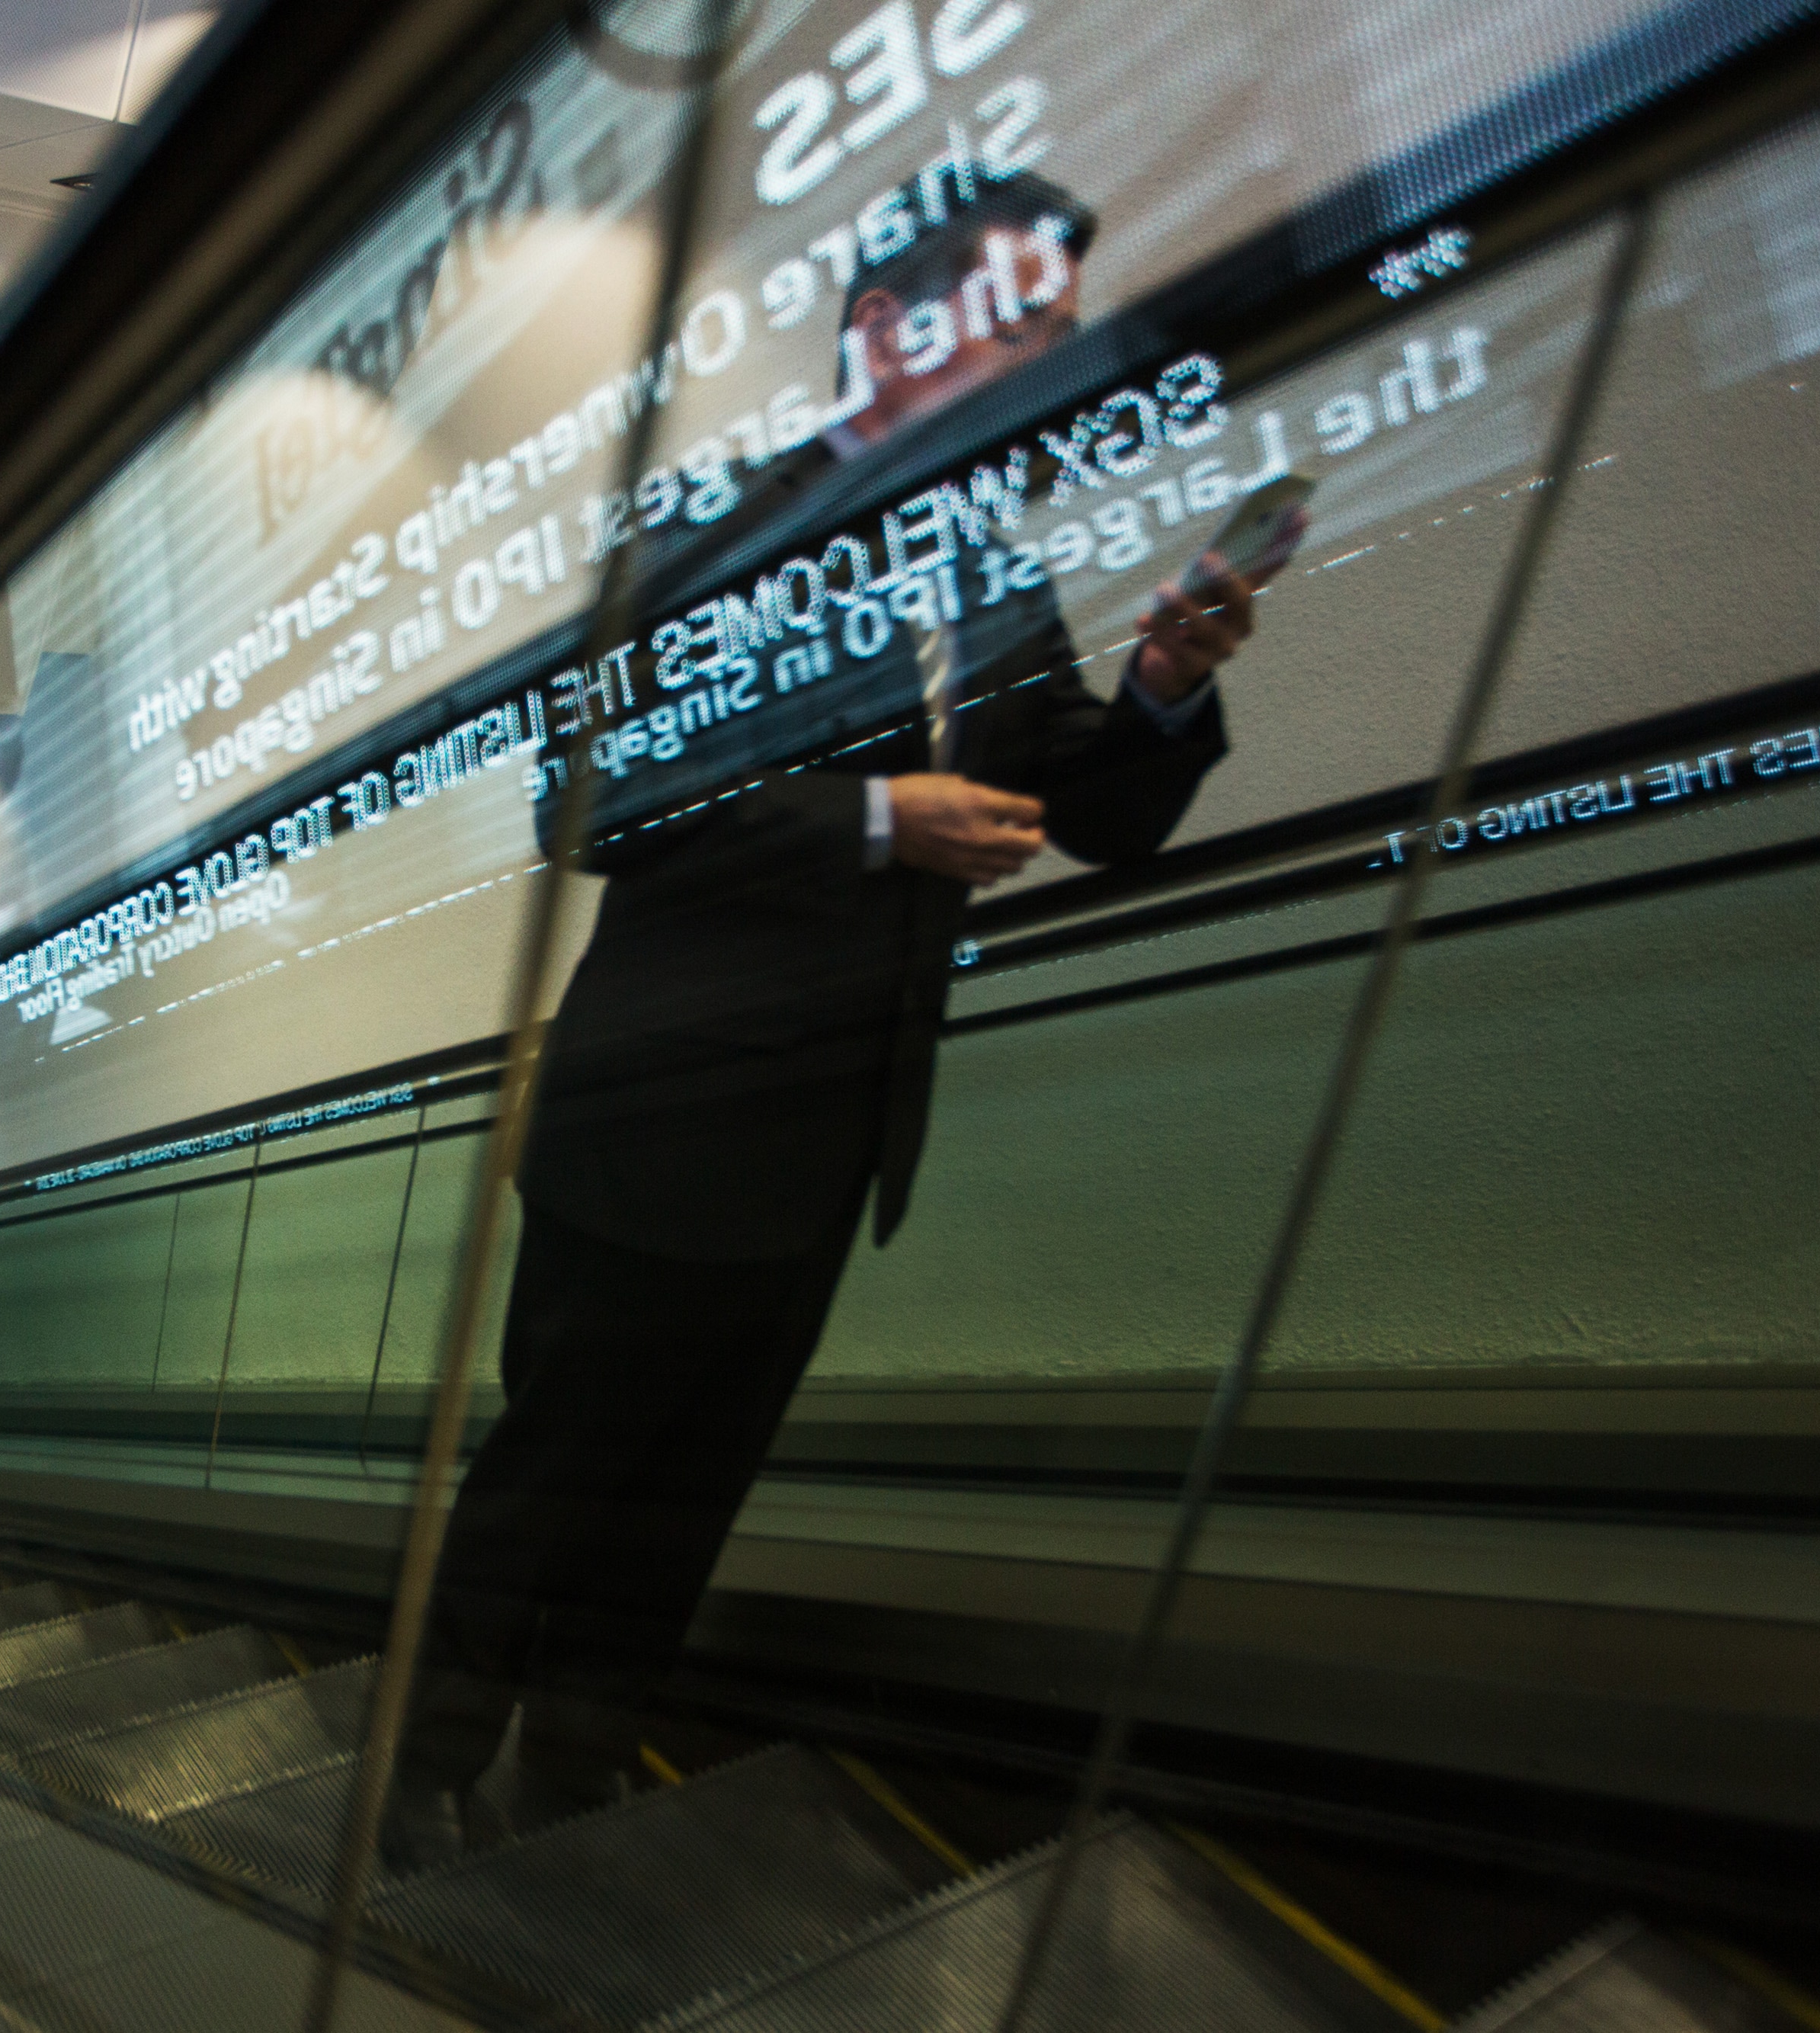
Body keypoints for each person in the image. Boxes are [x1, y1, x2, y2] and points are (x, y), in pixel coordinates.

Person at [382, 174, 1297, 1868]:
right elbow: (594, 800)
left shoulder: (993, 576)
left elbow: (1095, 811)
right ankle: (422, 1773)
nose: (1044, 363)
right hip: (657, 1126)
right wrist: (880, 818)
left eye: (1056, 334)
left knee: (688, 1493)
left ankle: (575, 1767)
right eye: (1016, 324)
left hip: (831, 1141)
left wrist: (1168, 686)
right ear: (884, 327)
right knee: (555, 1473)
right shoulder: (713, 526)